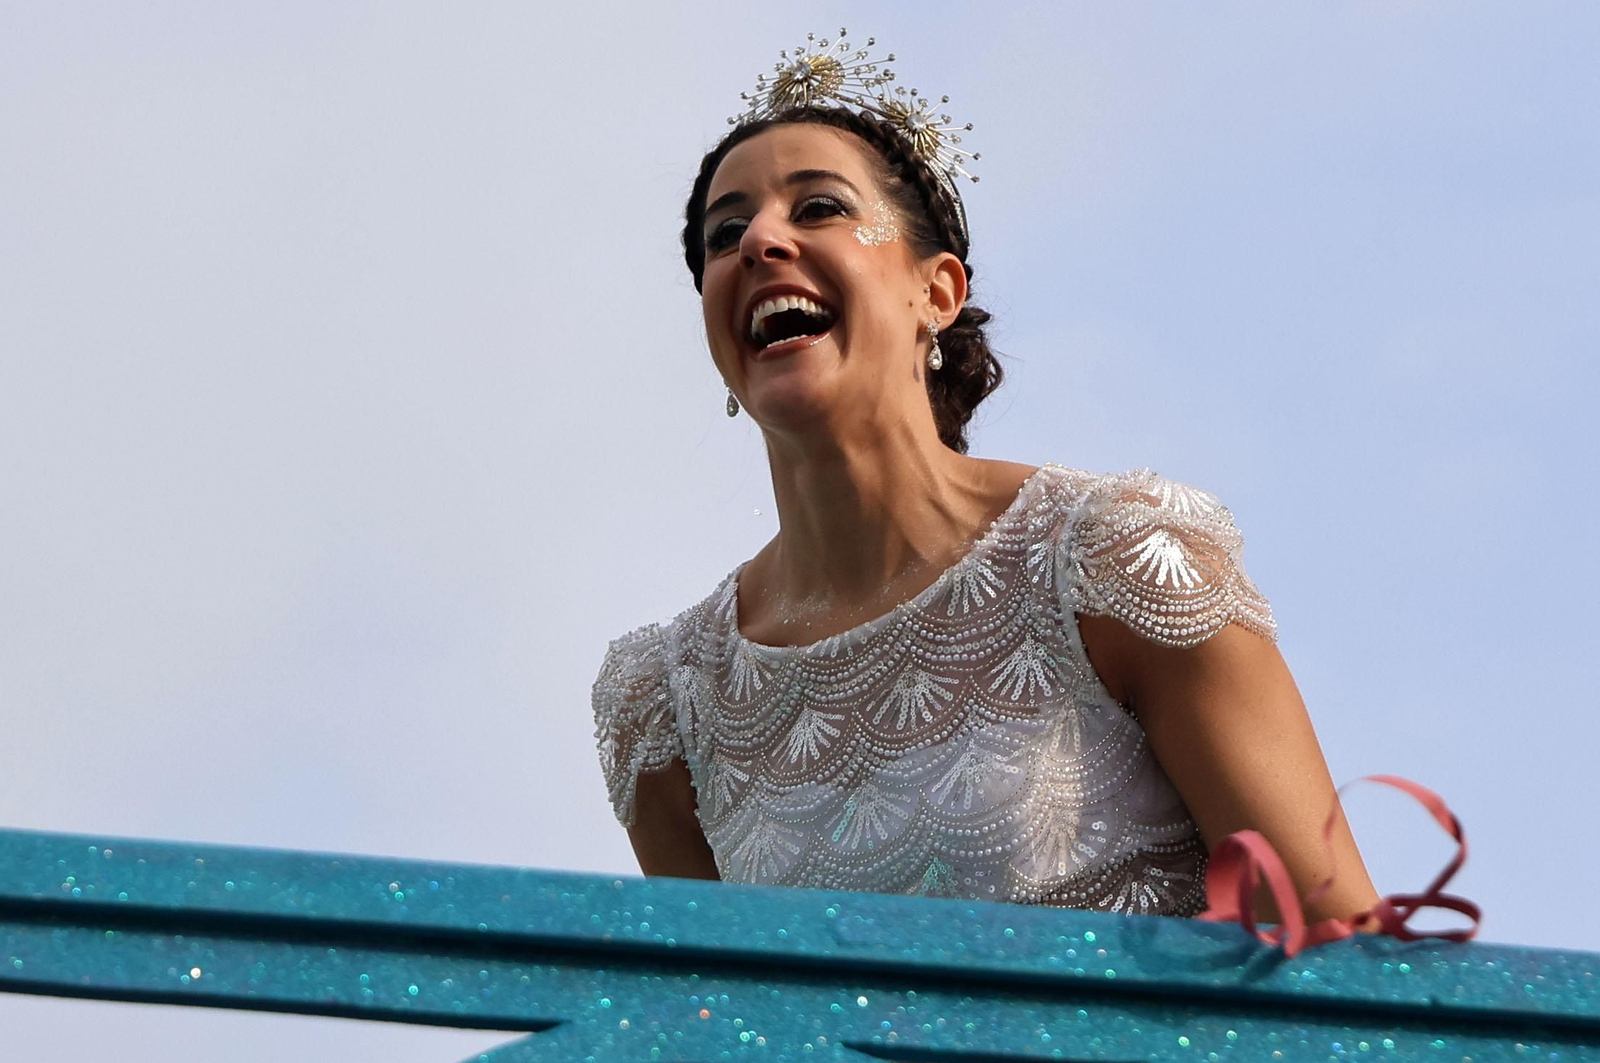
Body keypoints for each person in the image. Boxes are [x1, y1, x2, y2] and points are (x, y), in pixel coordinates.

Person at [592, 37, 1379, 923]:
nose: (761, 242)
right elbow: (716, 999)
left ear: (937, 293)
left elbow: (1332, 936)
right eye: (724, 234)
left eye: (819, 207)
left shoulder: (1119, 560)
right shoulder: (667, 707)